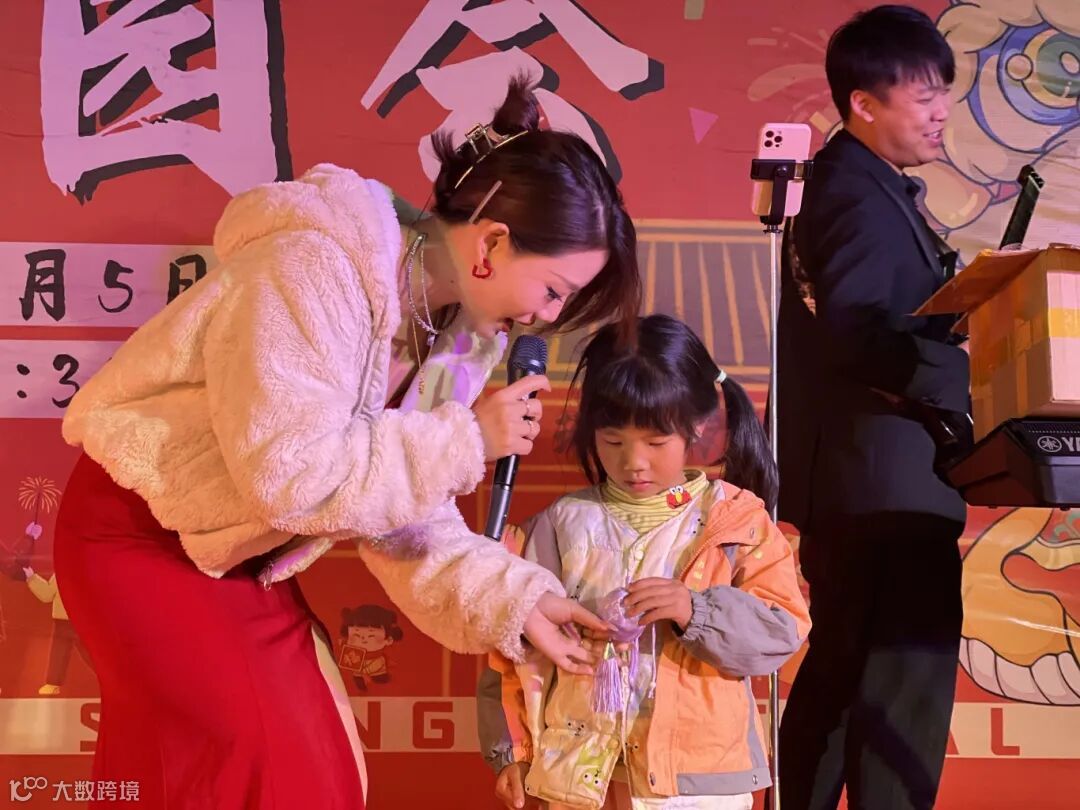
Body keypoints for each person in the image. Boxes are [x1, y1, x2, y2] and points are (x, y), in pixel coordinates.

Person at [53, 77, 640, 809]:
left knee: (291, 768)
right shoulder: (313, 264)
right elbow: (290, 475)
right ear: (491, 243)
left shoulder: (462, 340)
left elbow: (404, 515)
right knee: (275, 773)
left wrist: (517, 601)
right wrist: (466, 441)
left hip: (236, 554)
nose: (548, 318)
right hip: (139, 532)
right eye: (554, 290)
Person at [478, 314, 809, 810]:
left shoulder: (735, 522)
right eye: (613, 441)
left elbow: (781, 631)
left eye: (655, 442)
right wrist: (513, 750)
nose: (634, 461)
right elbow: (511, 648)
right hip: (578, 777)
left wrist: (695, 611)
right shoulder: (558, 525)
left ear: (696, 427)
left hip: (697, 784)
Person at [775, 7, 971, 810]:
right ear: (863, 103)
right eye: (924, 96)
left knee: (844, 673)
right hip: (886, 489)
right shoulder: (856, 193)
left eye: (944, 93)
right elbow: (857, 335)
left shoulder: (853, 184)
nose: (942, 112)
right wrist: (967, 379)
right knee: (899, 690)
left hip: (860, 484)